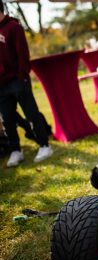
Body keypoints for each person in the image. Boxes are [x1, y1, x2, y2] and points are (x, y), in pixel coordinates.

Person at [0, 0, 53, 167]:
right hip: (1, 85)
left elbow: (23, 54)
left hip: (17, 79)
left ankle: (45, 145)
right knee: (7, 119)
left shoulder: (14, 27)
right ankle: (16, 150)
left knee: (31, 114)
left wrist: (22, 77)